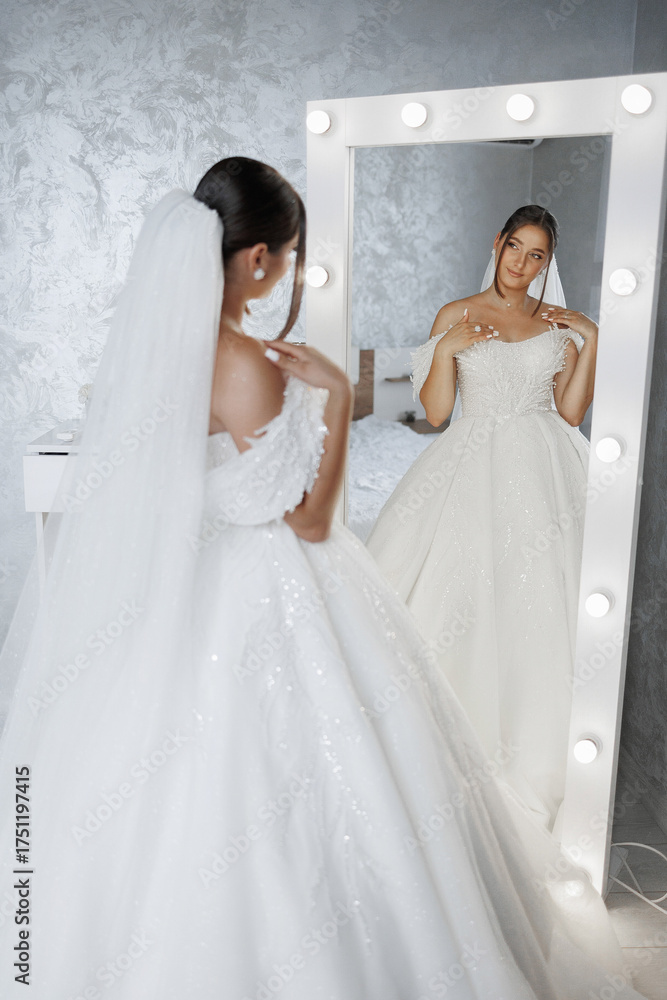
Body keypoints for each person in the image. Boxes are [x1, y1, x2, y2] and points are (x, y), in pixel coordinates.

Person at [0, 171, 641, 1000]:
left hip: (193, 578)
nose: (290, 272)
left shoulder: (164, 354)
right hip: (266, 575)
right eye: (291, 256)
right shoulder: (246, 364)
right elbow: (306, 519)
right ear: (258, 259)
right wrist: (335, 398)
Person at [366, 205, 597, 832]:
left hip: (544, 467)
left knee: (536, 602)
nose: (521, 263)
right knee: (458, 591)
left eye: (536, 254)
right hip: (470, 460)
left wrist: (591, 339)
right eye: (514, 247)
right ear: (497, 243)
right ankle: (451, 749)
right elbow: (436, 413)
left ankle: (535, 748)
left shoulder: (557, 325)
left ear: (547, 262)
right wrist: (448, 348)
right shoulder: (456, 314)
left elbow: (571, 414)